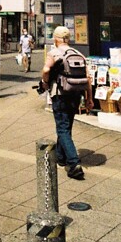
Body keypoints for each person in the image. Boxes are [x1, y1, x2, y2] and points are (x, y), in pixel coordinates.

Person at [40, 26, 93, 180]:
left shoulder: (54, 53)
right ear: (68, 38)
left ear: (56, 39)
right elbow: (88, 79)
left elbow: (45, 70)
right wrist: (89, 98)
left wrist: (44, 82)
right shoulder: (78, 54)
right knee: (66, 126)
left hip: (60, 94)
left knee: (62, 128)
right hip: (76, 95)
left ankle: (74, 163)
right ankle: (61, 157)